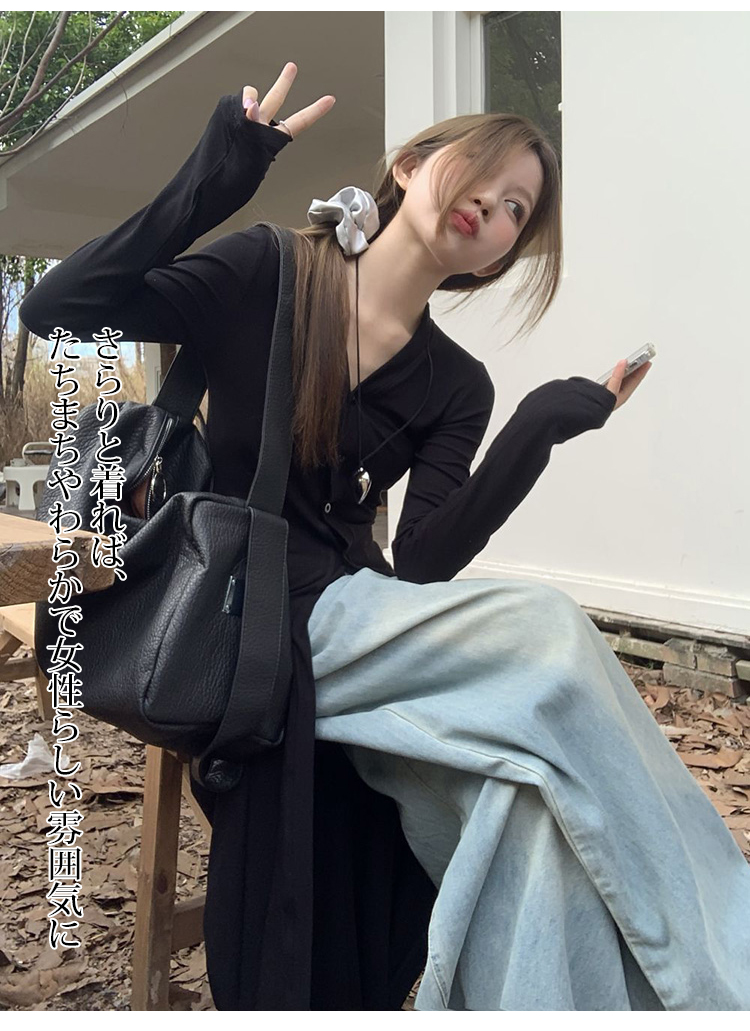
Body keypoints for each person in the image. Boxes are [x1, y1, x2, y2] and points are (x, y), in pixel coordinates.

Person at [19, 62, 749, 1011]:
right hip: (245, 612)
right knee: (551, 631)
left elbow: (425, 558)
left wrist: (535, 429)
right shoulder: (267, 269)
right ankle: (730, 958)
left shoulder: (458, 384)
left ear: (500, 255)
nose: (492, 206)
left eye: (517, 210)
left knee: (522, 805)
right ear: (409, 165)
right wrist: (214, 178)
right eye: (481, 175)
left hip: (355, 615)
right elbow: (59, 306)